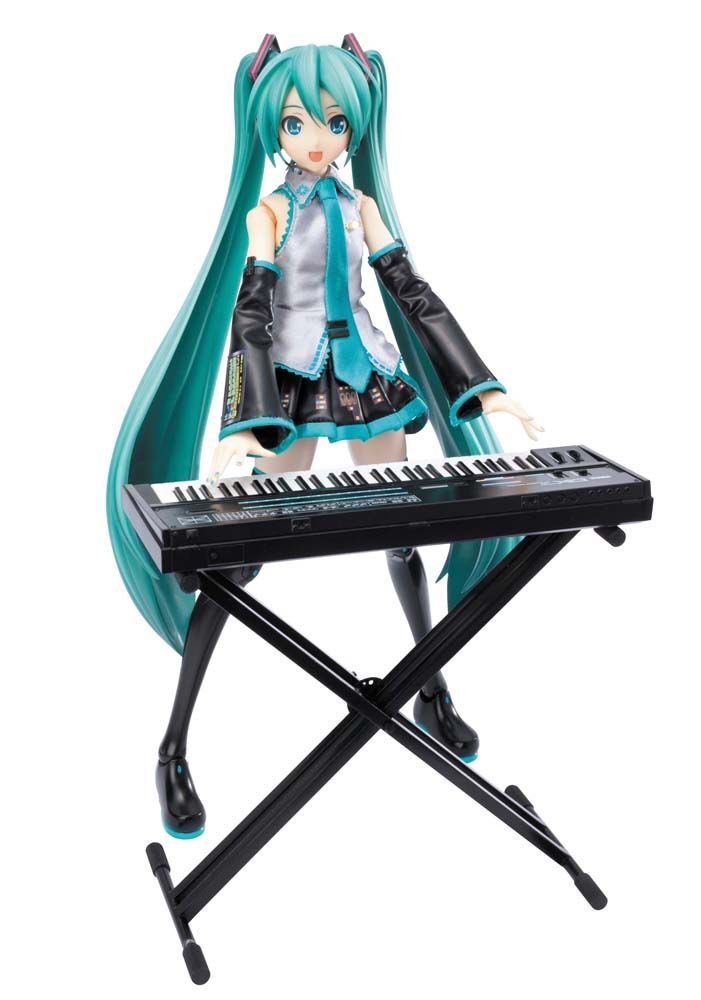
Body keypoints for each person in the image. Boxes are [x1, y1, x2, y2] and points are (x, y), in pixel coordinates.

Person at [107, 37, 542, 839]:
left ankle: (430, 686)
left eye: (336, 122)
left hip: (366, 375)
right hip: (293, 382)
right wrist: (244, 423)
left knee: (403, 530)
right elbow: (251, 312)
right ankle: (173, 746)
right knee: (235, 559)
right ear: (270, 127)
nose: (317, 139)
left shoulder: (360, 205)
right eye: (298, 122)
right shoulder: (269, 212)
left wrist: (484, 387)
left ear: (357, 126)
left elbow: (413, 293)